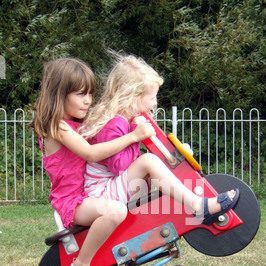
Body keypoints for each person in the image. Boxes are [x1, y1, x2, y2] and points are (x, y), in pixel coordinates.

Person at [32, 57, 156, 266]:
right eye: (80, 94)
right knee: (116, 210)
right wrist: (133, 137)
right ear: (59, 94)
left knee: (139, 190)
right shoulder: (57, 126)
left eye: (90, 93)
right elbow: (90, 153)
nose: (88, 100)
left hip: (90, 192)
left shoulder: (78, 124)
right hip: (73, 202)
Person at [81, 53, 239, 224]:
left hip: (111, 188)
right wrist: (135, 137)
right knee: (148, 161)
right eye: (152, 97)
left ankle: (189, 203)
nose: (155, 103)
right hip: (101, 194)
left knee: (152, 163)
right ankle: (198, 205)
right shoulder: (114, 123)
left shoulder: (123, 122)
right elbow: (119, 167)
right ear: (133, 97)